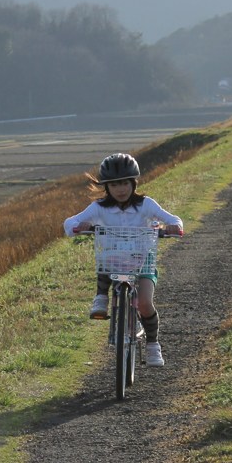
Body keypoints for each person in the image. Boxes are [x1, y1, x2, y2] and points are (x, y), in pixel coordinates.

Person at [63, 153, 183, 367]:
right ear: (106, 187)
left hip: (142, 259)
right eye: (115, 184)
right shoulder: (99, 207)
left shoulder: (146, 204)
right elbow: (71, 221)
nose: (121, 189)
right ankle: (101, 297)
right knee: (106, 257)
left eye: (125, 183)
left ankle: (153, 344)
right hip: (113, 260)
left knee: (145, 303)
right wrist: (77, 226)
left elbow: (173, 219)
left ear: (133, 183)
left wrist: (175, 227)